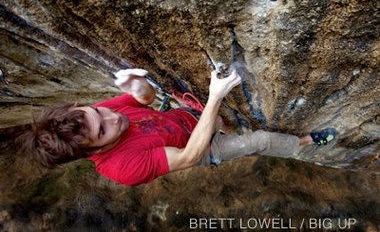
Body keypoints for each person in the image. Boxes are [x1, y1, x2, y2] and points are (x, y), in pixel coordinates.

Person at [17, 69, 336, 186]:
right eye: (104, 131)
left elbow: (142, 102)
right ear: (91, 151)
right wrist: (214, 100)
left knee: (219, 116)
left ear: (79, 108)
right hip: (203, 149)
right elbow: (188, 155)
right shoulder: (121, 168)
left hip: (183, 118)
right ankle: (304, 143)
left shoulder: (99, 115)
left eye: (99, 112)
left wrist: (138, 87)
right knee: (260, 140)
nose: (113, 118)